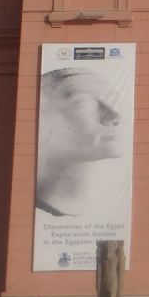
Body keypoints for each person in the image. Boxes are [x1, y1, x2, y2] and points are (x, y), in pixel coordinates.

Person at [36, 67, 128, 217]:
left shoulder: (108, 208)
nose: (114, 116)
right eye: (82, 102)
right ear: (40, 119)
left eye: (113, 99)